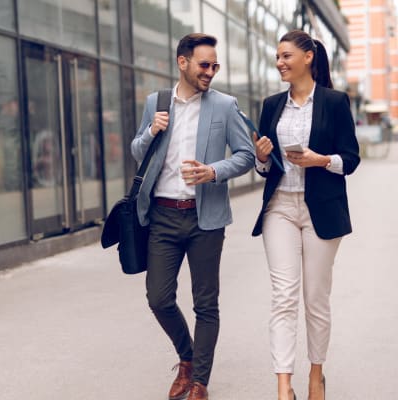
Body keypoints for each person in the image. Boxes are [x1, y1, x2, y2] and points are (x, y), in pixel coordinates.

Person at [131, 33, 255, 400]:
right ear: (182, 63)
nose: (211, 72)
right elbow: (139, 151)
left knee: (206, 303)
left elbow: (246, 154)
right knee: (159, 298)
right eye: (204, 64)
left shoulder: (225, 105)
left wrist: (213, 171)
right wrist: (151, 130)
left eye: (215, 66)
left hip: (206, 219)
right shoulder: (156, 102)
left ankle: (199, 380)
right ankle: (186, 358)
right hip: (164, 216)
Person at [252, 30, 360, 400]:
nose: (280, 62)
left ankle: (316, 375)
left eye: (286, 56)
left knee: (315, 298)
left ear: (308, 57)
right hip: (279, 207)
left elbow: (351, 160)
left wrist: (320, 160)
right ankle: (284, 386)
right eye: (278, 57)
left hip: (321, 211)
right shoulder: (271, 105)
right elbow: (264, 169)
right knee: (283, 297)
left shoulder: (334, 101)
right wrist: (263, 157)